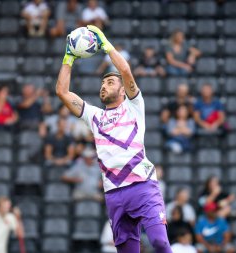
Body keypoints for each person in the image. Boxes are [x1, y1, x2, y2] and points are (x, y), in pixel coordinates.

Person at [57, 25, 172, 253]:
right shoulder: (95, 116)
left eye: (110, 82)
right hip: (114, 193)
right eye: (102, 83)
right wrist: (68, 57)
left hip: (142, 186)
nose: (104, 86)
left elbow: (126, 71)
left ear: (122, 91)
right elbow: (62, 91)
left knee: (159, 242)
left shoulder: (134, 106)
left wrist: (106, 45)